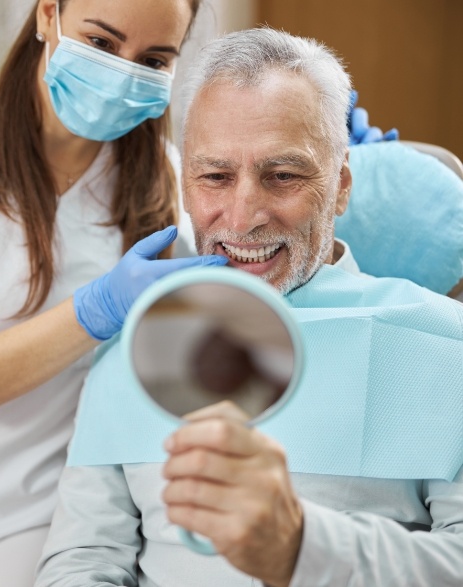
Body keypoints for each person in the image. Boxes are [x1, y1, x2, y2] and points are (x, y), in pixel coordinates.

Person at [35, 27, 463, 587]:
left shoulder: (443, 347)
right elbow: (83, 557)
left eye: (282, 176)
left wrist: (302, 547)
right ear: (185, 184)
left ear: (340, 186)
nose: (242, 218)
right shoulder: (134, 342)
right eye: (215, 176)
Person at [0, 1, 237, 585]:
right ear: (48, 14)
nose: (124, 72)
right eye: (101, 43)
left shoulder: (170, 184)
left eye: (153, 59)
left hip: (52, 499)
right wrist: (97, 309)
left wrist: (328, 165)